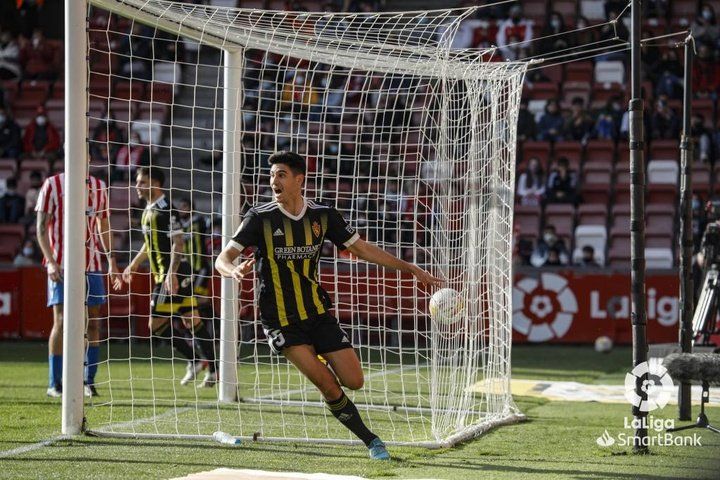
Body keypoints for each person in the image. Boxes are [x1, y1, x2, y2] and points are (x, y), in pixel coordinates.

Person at [215, 151, 442, 460]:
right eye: (271, 175)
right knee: (328, 384)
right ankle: (373, 441)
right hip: (280, 320)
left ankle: (323, 365)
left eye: (281, 174)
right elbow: (223, 257)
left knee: (354, 381)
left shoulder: (323, 215)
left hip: (318, 313)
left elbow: (361, 249)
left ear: (299, 179)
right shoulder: (260, 217)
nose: (273, 181)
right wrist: (231, 270)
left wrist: (411, 268)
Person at [121, 167, 217, 387]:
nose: (138, 186)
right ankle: (212, 369)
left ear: (156, 184)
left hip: (172, 274)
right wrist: (134, 265)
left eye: (143, 182)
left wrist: (171, 273)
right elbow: (149, 243)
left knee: (155, 325)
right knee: (191, 319)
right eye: (138, 182)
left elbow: (179, 242)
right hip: (165, 275)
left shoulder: (166, 210)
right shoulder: (148, 210)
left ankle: (196, 361)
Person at [36, 164, 122, 397]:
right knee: (62, 321)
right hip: (61, 265)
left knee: (93, 322)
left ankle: (88, 381)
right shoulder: (52, 185)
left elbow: (104, 226)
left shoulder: (99, 186)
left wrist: (111, 260)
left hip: (92, 265)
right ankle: (55, 383)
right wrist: (51, 262)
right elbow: (40, 228)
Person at [177, 196, 216, 383]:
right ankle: (203, 362)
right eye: (181, 206)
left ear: (191, 208)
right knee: (189, 314)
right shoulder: (180, 225)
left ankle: (207, 358)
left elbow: (209, 222)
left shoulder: (198, 221)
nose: (181, 209)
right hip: (187, 273)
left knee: (194, 311)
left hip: (200, 270)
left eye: (185, 206)